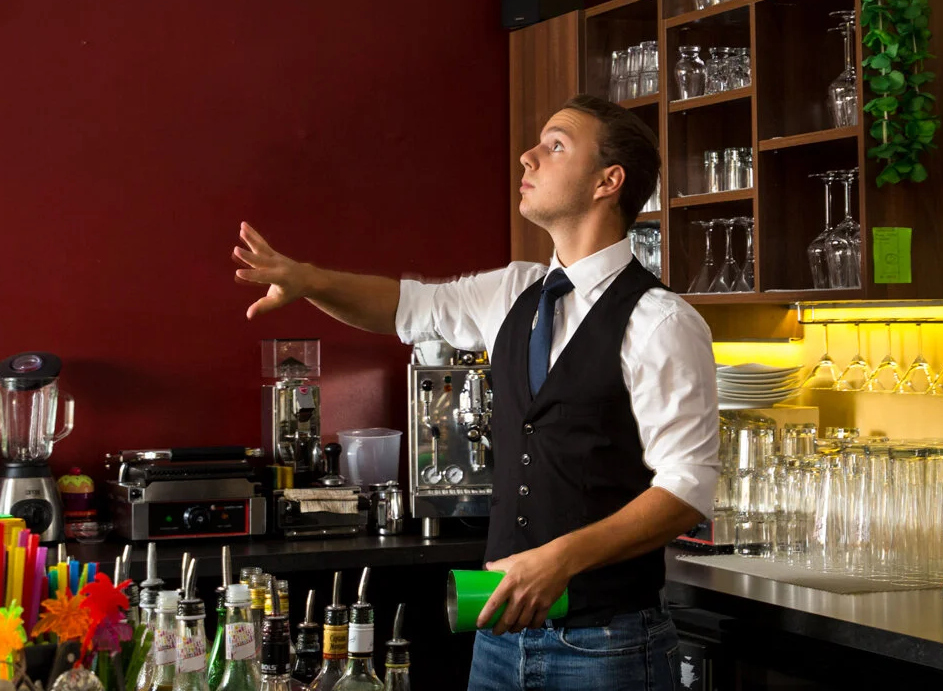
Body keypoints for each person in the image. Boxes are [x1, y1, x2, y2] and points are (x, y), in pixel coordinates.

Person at [232, 93, 718, 691]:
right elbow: (402, 306)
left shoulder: (661, 321)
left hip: (606, 646)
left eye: (556, 146)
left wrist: (560, 559)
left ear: (607, 182)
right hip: (498, 639)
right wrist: (308, 281)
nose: (527, 157)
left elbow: (687, 488)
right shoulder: (513, 291)